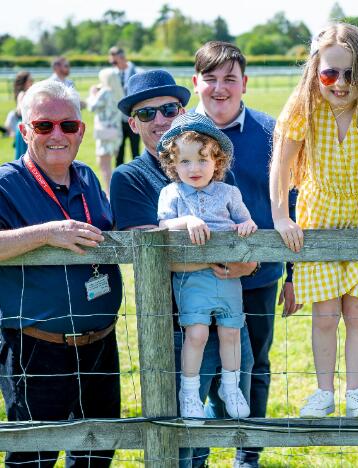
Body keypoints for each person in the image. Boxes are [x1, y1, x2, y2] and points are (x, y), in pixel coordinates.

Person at [109, 69, 254, 467]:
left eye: (168, 109)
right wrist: (216, 256)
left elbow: (242, 236)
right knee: (180, 428)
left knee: (228, 408)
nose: (159, 120)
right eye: (146, 113)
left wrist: (247, 262)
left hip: (226, 306)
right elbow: (157, 254)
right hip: (173, 323)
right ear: (132, 123)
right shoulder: (130, 178)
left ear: (182, 109)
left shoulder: (211, 162)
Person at [270, 23, 358, 419]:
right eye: (329, 73)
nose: (339, 83)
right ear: (315, 71)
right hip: (319, 214)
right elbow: (281, 166)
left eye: (350, 74)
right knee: (324, 314)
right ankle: (322, 392)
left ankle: (354, 393)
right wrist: (281, 216)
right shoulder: (303, 105)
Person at [0, 79, 122, 466]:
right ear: (24, 130)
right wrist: (47, 233)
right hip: (36, 347)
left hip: (101, 345)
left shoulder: (88, 178)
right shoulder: (5, 184)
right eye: (43, 125)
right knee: (32, 458)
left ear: (81, 131)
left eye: (68, 125)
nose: (57, 134)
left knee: (97, 453)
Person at [191, 40, 299, 467]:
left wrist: (292, 275)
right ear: (195, 82)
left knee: (255, 361)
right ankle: (197, 448)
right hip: (194, 277)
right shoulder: (181, 134)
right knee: (200, 362)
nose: (220, 88)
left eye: (229, 79)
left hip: (259, 274)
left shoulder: (272, 134)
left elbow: (291, 203)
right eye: (211, 79)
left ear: (245, 84)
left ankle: (247, 452)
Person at [157, 113, 257, 422]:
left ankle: (231, 386)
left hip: (227, 277)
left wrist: (247, 227)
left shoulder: (229, 193)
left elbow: (246, 221)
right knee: (197, 333)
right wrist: (187, 220)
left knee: (230, 332)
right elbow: (162, 225)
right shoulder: (172, 194)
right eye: (185, 162)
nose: (194, 169)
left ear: (218, 160)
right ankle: (189, 393)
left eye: (203, 160)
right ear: (174, 164)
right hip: (192, 278)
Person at [87, 68, 124, 195]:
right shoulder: (118, 92)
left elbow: (92, 107)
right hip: (116, 132)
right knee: (109, 163)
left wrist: (92, 93)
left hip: (105, 133)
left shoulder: (105, 92)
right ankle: (113, 190)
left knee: (104, 165)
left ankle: (109, 193)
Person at [109, 46, 141, 166]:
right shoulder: (112, 74)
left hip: (134, 118)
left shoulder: (138, 72)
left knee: (135, 152)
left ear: (122, 58)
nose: (113, 65)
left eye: (115, 61)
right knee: (119, 153)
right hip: (118, 120)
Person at [3, 71, 33, 159]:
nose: (32, 82)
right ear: (25, 82)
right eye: (30, 80)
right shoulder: (23, 94)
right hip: (25, 126)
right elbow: (19, 111)